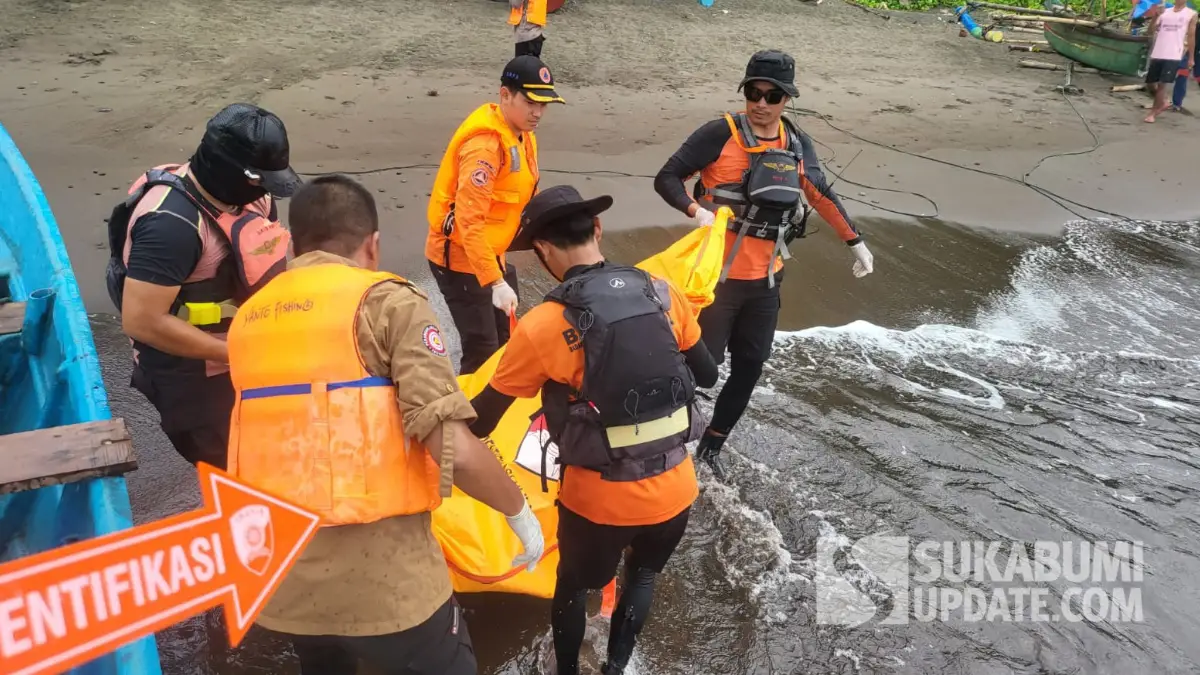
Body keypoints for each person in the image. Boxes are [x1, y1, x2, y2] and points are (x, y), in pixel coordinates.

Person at [226, 174, 545, 675]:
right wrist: (517, 511)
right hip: (387, 586)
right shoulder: (388, 302)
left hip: (280, 582)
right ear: (372, 245)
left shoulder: (249, 319)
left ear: (295, 244)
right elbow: (451, 446)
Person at [467, 186, 720, 675]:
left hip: (598, 504)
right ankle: (615, 668)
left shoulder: (542, 325)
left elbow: (482, 420)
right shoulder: (661, 291)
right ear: (597, 229)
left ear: (541, 251)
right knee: (642, 576)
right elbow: (706, 374)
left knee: (573, 586)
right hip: (675, 490)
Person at [653, 50, 875, 481]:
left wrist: (856, 242)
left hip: (765, 282)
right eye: (753, 92)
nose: (761, 103)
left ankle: (712, 448)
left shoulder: (795, 143)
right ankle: (663, 444)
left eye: (772, 96)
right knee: (701, 369)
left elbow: (820, 193)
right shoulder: (719, 133)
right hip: (715, 280)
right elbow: (666, 177)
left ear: (787, 99)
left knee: (749, 368)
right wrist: (692, 210)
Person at [104, 102, 299, 470]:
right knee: (237, 471)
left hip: (247, 356)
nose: (265, 191)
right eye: (260, 180)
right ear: (230, 172)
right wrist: (234, 354)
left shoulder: (253, 196)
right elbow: (142, 321)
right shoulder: (170, 227)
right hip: (194, 379)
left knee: (276, 457)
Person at [425, 55, 565, 374]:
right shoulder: (485, 148)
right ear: (505, 95)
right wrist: (495, 282)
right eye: (531, 102)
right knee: (482, 350)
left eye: (545, 104)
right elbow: (468, 224)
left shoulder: (522, 133)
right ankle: (471, 418)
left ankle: (498, 407)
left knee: (507, 338)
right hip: (460, 259)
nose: (538, 112)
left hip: (492, 252)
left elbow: (524, 194)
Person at [1144, 0, 1197, 122]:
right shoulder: (1164, 12)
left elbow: (1191, 36)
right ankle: (1163, 102)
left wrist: (1191, 58)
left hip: (1174, 54)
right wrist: (1155, 16)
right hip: (1158, 52)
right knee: (1150, 83)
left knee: (1163, 84)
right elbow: (1150, 31)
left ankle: (1153, 112)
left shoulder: (1191, 14)